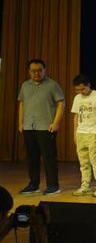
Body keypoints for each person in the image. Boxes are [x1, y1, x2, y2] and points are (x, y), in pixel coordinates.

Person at [17, 59, 65, 195]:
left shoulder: (52, 85)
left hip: (46, 127)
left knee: (49, 158)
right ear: (29, 71)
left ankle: (53, 186)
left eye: (39, 70)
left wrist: (56, 123)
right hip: (29, 126)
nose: (37, 73)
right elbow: (22, 104)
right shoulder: (25, 85)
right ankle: (33, 184)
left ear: (44, 70)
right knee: (32, 158)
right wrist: (21, 122)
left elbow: (61, 103)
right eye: (33, 71)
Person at [71, 74, 96, 197]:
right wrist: (75, 132)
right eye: (77, 90)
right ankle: (85, 185)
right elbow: (76, 116)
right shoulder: (77, 98)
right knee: (83, 162)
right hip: (81, 132)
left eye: (82, 89)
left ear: (89, 85)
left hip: (93, 132)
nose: (80, 92)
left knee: (95, 161)